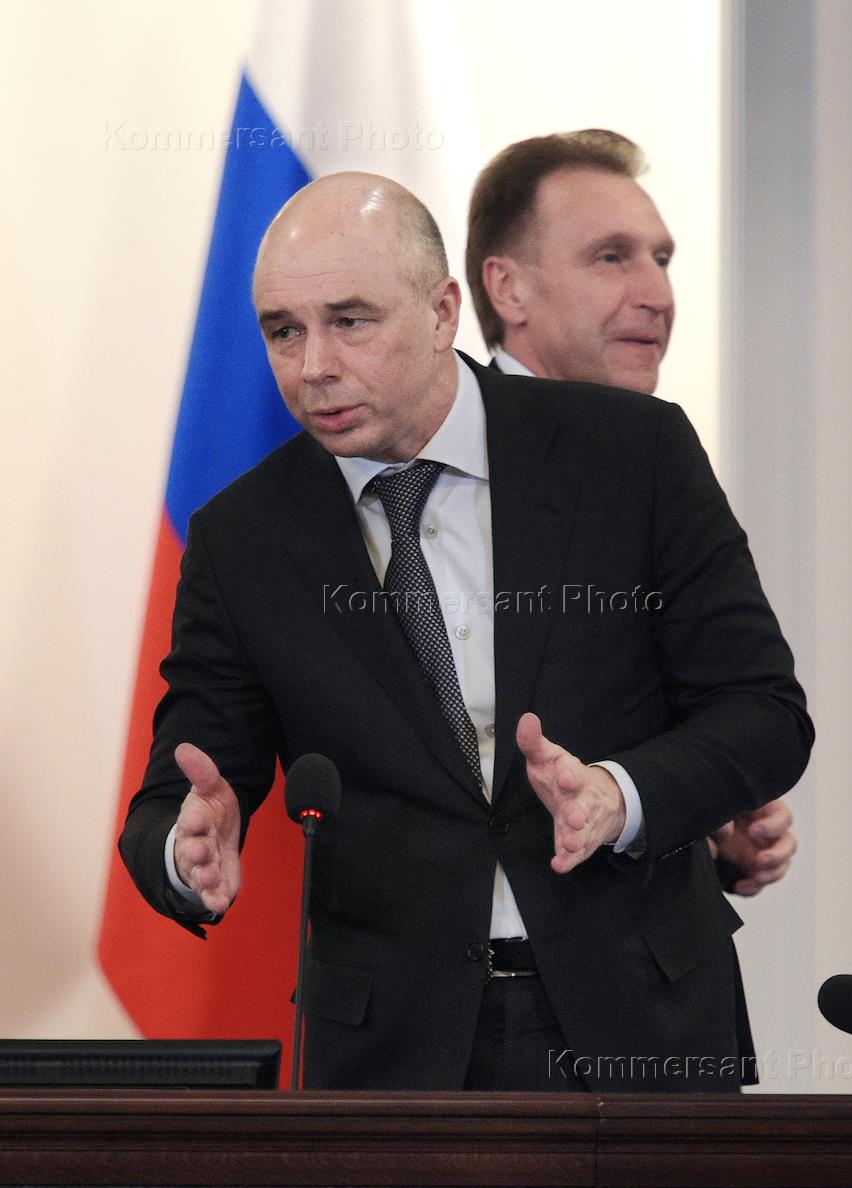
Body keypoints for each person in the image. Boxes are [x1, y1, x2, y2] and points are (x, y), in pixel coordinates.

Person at [120, 171, 813, 1093]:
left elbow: (763, 713)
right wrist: (183, 847)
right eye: (284, 331)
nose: (313, 364)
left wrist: (621, 794)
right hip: (393, 1057)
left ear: (443, 310)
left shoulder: (631, 454)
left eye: (350, 321)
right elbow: (181, 786)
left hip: (641, 1021)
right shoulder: (244, 537)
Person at [467, 129, 797, 898]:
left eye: (661, 258)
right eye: (611, 257)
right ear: (507, 289)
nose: (656, 294)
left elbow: (756, 710)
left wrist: (692, 819)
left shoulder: (654, 454)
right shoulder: (416, 462)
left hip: (635, 960)